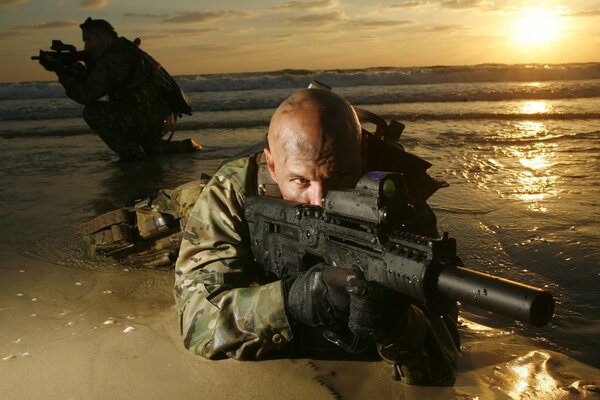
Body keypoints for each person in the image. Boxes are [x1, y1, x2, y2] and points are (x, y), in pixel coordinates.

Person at [174, 88, 461, 385]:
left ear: (362, 153)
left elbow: (444, 352)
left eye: (338, 176)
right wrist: (291, 300)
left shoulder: (400, 201)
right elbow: (198, 323)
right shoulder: (235, 189)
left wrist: (397, 327)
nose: (320, 200)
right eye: (300, 181)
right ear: (272, 165)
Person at [37, 17, 201, 161]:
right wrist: (73, 68)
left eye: (88, 39)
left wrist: (60, 71)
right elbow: (98, 82)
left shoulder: (112, 59)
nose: (85, 46)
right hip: (159, 117)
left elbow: (85, 95)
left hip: (148, 118)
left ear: (105, 38)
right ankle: (184, 146)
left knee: (92, 112)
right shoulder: (124, 49)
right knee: (153, 150)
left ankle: (132, 154)